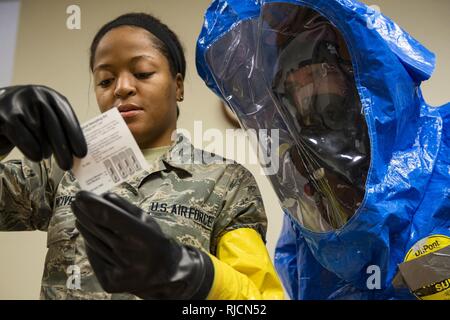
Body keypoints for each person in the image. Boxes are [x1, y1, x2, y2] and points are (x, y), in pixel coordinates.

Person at [0, 12, 284, 300]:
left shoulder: (227, 182)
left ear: (178, 86)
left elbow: (259, 302)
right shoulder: (60, 168)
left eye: (143, 73)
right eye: (105, 80)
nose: (122, 88)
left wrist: (191, 274)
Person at [196, 0, 450, 299]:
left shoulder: (442, 146)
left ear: (358, 62)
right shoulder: (313, 211)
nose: (302, 81)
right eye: (289, 72)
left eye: (315, 61)